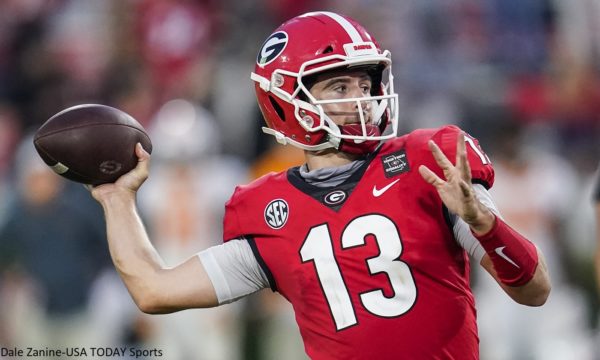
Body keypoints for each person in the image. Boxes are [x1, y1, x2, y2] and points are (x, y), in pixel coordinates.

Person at [89, 11, 551, 359]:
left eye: (364, 84)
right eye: (339, 88)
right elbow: (155, 291)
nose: (362, 100)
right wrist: (116, 199)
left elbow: (534, 290)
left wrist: (483, 222)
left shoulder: (428, 163)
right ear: (288, 101)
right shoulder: (268, 209)